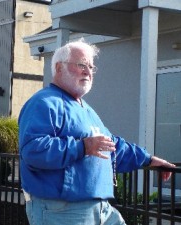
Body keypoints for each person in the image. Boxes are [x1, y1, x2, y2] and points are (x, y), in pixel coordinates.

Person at [18, 39, 176, 225]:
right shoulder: (44, 103)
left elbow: (111, 146)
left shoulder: (86, 109)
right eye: (81, 65)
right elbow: (33, 150)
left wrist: (148, 159)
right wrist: (82, 147)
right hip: (63, 211)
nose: (88, 71)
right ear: (59, 68)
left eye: (91, 67)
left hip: (101, 209)